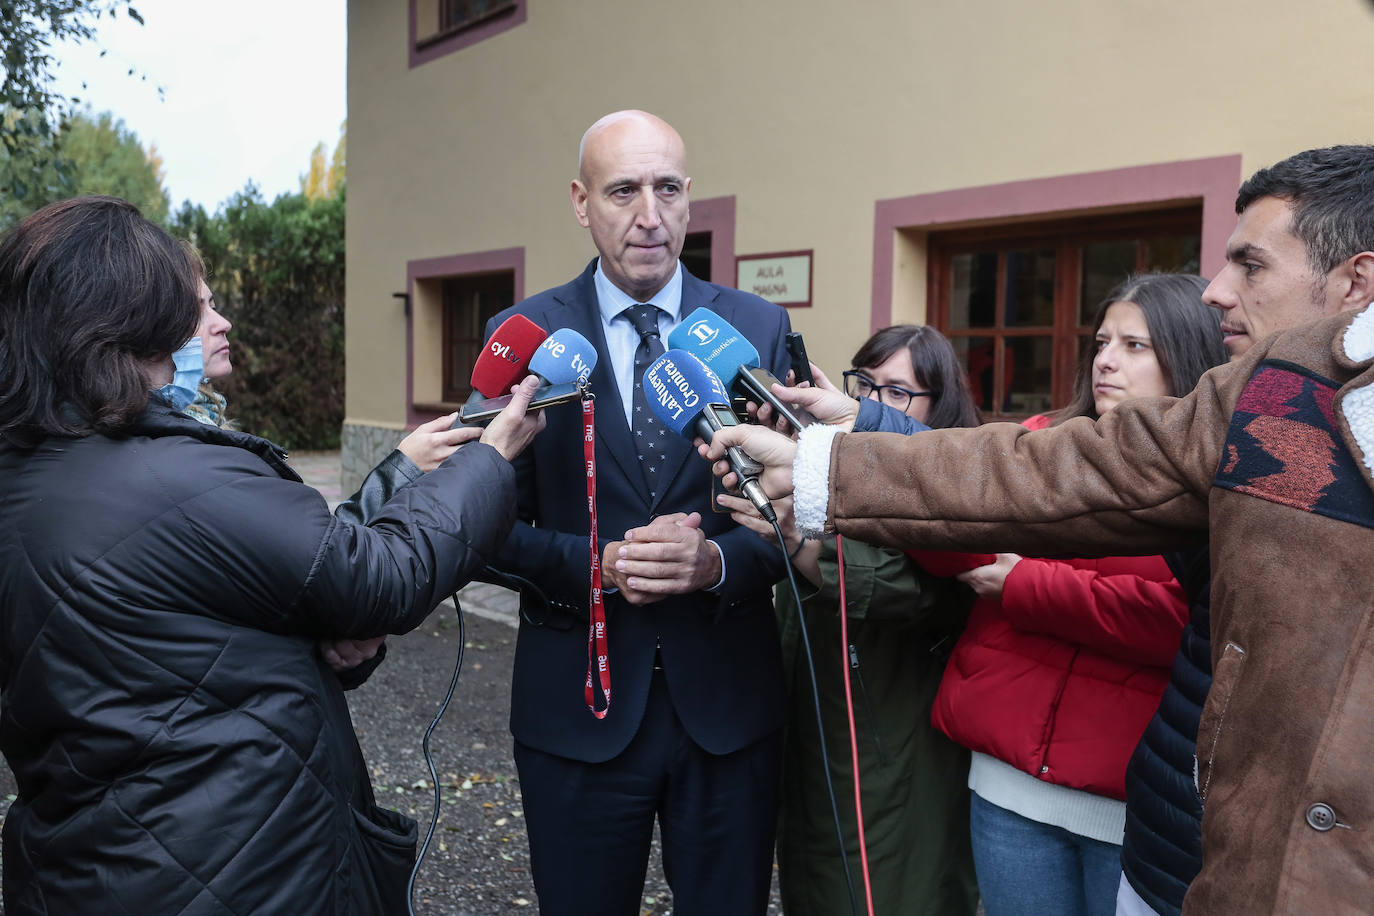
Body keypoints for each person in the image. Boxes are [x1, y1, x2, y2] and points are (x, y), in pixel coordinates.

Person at [702, 144, 1374, 914]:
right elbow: (1040, 475)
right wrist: (842, 453)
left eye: (1250, 266)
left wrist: (1026, 583)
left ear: (1357, 282)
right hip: (1175, 854)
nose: (1216, 292)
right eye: (1101, 343)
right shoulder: (1250, 403)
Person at [0, 195, 545, 913]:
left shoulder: (35, 468)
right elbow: (373, 579)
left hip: (96, 864)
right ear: (124, 325)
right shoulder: (171, 477)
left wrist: (397, 480)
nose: (211, 324)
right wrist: (491, 462)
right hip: (233, 871)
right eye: (181, 309)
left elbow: (238, 609)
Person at [475, 110, 794, 915]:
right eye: (624, 191)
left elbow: (795, 517)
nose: (650, 215)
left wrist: (714, 562)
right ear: (582, 203)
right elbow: (483, 529)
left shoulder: (755, 329)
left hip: (728, 709)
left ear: (690, 198)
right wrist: (601, 564)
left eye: (669, 189)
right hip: (576, 710)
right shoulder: (526, 338)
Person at [909, 274, 1225, 916]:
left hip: (1130, 806)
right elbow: (955, 546)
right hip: (1006, 785)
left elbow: (1176, 622)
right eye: (1102, 340)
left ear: (1189, 354)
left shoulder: (1214, 480)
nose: (1106, 359)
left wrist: (1025, 581)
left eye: (1135, 345)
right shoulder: (1043, 439)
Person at [721, 325, 982, 916]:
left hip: (896, 741)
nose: (871, 406)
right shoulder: (824, 466)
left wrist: (801, 541)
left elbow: (909, 592)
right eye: (863, 385)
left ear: (937, 411)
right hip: (810, 730)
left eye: (896, 393)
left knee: (890, 890)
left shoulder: (955, 505)